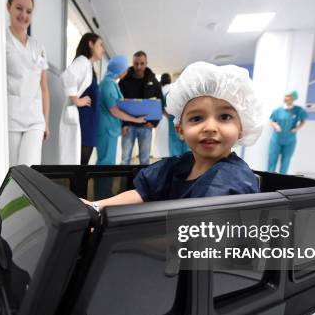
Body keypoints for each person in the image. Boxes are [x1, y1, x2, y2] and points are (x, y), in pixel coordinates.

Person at [82, 62, 264, 211]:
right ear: (180, 130)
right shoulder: (179, 165)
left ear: (242, 128)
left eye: (224, 117)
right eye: (197, 118)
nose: (210, 127)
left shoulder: (233, 182)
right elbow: (143, 193)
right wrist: (97, 206)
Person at [5, 0, 50, 167]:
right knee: (12, 171)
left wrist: (46, 122)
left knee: (29, 171)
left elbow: (44, 88)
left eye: (29, 11)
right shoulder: (1, 41)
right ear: (8, 7)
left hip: (35, 120)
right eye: (19, 8)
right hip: (11, 119)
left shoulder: (38, 46)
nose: (24, 15)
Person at [59, 33, 104, 165]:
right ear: (90, 44)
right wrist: (77, 100)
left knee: (82, 166)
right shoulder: (83, 61)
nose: (102, 49)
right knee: (80, 167)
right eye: (100, 45)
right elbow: (67, 76)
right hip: (83, 124)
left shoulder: (88, 66)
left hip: (88, 125)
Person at [96, 55, 147, 165]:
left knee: (108, 162)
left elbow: (118, 103)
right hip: (107, 131)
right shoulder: (108, 84)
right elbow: (114, 110)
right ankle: (102, 183)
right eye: (125, 68)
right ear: (118, 69)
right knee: (105, 164)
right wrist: (136, 119)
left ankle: (105, 182)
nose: (127, 70)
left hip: (111, 130)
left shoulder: (112, 83)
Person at [119, 51, 163, 165]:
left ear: (146, 63)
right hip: (128, 125)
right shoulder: (124, 80)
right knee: (125, 160)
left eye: (142, 63)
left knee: (144, 160)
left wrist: (154, 122)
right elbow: (118, 103)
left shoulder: (153, 81)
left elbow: (160, 102)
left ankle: (142, 183)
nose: (139, 67)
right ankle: (125, 183)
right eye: (136, 63)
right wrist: (123, 124)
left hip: (146, 125)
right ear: (133, 63)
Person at [267, 90, 308, 174]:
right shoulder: (278, 110)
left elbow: (303, 121)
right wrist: (276, 126)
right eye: (285, 96)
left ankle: (283, 180)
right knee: (272, 160)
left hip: (290, 140)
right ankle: (269, 179)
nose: (285, 98)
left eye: (288, 96)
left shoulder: (298, 110)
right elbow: (272, 120)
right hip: (276, 139)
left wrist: (297, 128)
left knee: (286, 161)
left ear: (293, 98)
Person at [152, 73, 171, 158]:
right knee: (167, 140)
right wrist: (169, 117)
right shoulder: (172, 89)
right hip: (167, 117)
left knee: (160, 140)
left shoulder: (159, 89)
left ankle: (161, 159)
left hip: (159, 118)